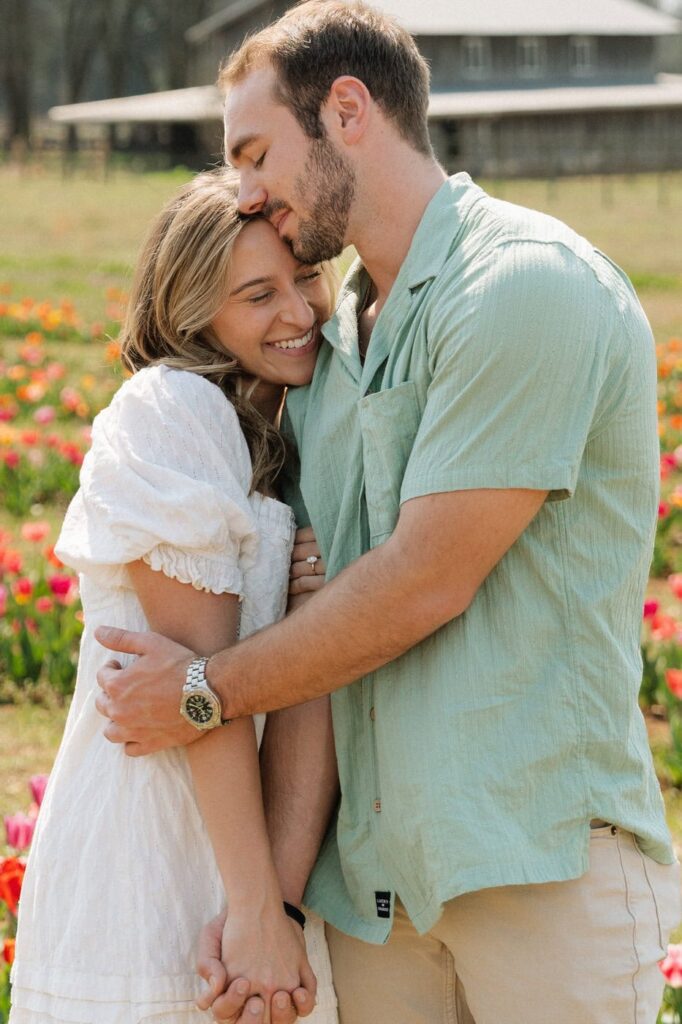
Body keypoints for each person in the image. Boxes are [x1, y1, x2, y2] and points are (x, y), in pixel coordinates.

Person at [93, 3, 681, 1023]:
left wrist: (200, 690)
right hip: (373, 902)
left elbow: (421, 581)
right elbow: (323, 634)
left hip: (537, 870)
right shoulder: (331, 347)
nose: (243, 188)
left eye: (255, 150)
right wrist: (268, 898)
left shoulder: (521, 287)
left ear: (348, 111)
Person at [9, 167, 340, 1024]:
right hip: (153, 854)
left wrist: (277, 905)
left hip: (251, 854)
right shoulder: (173, 410)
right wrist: (257, 912)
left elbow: (294, 680)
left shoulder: (286, 429)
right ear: (192, 312)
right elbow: (199, 691)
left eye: (304, 277)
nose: (299, 314)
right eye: (258, 294)